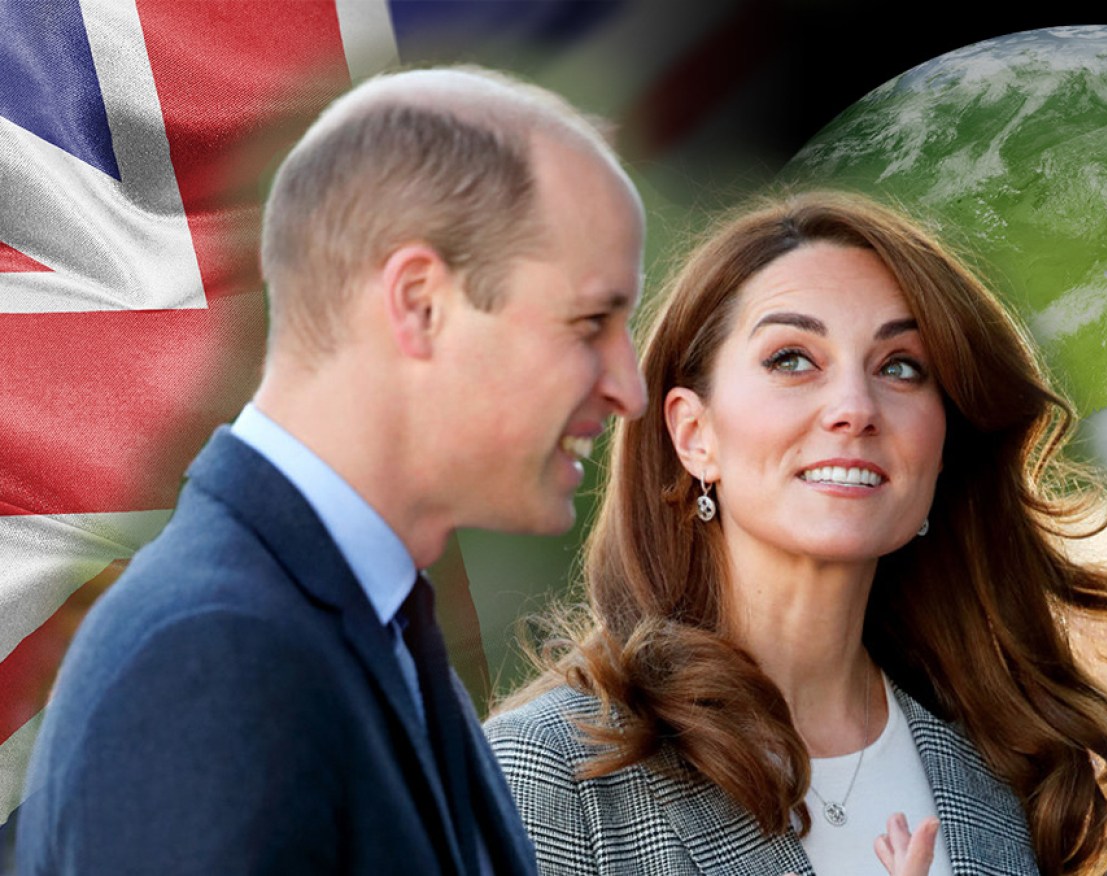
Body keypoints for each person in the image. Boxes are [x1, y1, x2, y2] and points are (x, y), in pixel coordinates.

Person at [17, 64, 646, 875]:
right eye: (590, 321)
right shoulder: (216, 664)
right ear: (419, 303)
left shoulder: (370, 632)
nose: (626, 388)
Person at [484, 191, 1107, 876]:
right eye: (791, 359)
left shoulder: (1012, 778)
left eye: (900, 366)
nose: (853, 409)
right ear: (693, 435)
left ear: (939, 450)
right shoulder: (545, 775)